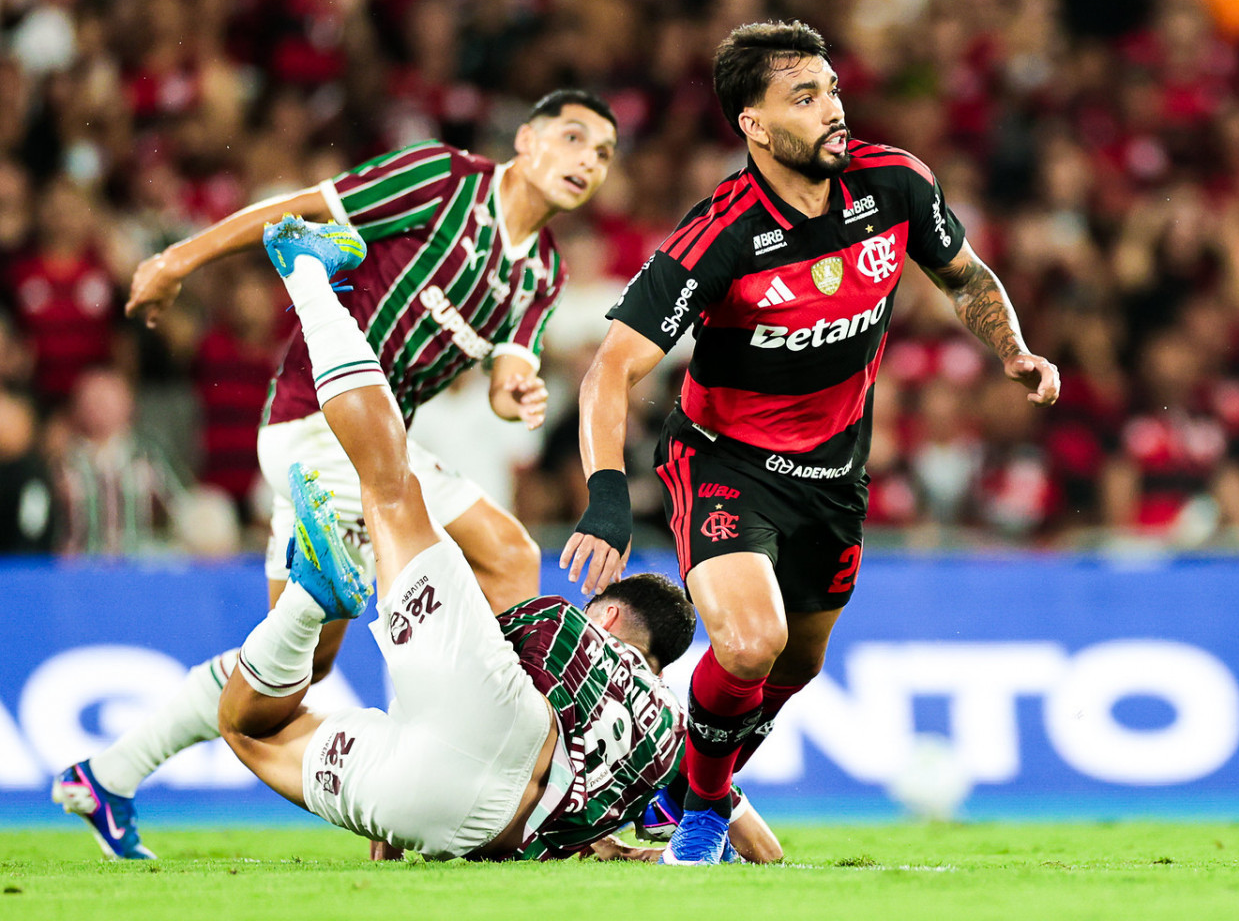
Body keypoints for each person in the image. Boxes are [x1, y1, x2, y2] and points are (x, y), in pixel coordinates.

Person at [81, 217, 777, 862]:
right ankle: (286, 620)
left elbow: (467, 665)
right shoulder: (668, 735)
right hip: (464, 825)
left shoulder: (572, 629)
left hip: (485, 713)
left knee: (393, 493)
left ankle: (306, 281)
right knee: (257, 721)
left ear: (613, 614)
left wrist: (182, 255)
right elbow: (752, 839)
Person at [53, 91, 617, 857]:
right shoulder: (443, 180)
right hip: (319, 423)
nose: (588, 159)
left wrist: (513, 387)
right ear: (525, 139)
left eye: (605, 153)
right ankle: (515, 781)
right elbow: (297, 213)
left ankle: (108, 773)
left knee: (300, 665)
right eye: (575, 137)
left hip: (366, 450)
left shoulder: (542, 272)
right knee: (508, 556)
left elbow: (506, 366)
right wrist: (175, 259)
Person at [567, 21, 1061, 864]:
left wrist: (1011, 348)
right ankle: (702, 818)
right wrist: (608, 499)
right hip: (724, 461)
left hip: (835, 473)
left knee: (794, 665)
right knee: (748, 643)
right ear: (753, 124)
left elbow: (966, 277)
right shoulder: (716, 236)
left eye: (831, 89)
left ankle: (673, 789)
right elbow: (609, 371)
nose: (832, 109)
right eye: (805, 97)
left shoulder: (894, 184)